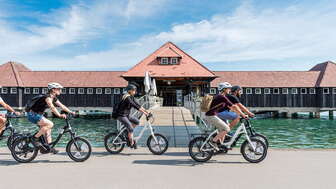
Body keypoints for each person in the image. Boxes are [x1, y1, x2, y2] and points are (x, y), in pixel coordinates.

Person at [27, 82, 75, 154]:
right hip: (33, 114)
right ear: (53, 90)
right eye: (59, 89)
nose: (60, 91)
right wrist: (59, 115)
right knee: (50, 124)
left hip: (38, 115)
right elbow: (52, 107)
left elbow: (62, 106)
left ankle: (48, 148)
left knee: (48, 130)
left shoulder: (53, 98)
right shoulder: (47, 97)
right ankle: (34, 138)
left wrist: (71, 112)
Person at [205, 82, 247, 148]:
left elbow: (231, 107)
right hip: (211, 116)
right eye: (228, 89)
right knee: (227, 129)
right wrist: (243, 114)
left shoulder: (220, 96)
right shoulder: (222, 97)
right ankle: (213, 142)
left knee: (223, 130)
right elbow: (234, 106)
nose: (229, 90)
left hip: (212, 115)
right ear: (224, 89)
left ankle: (220, 146)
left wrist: (239, 113)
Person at [116, 84, 150, 149]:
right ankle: (131, 143)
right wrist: (145, 113)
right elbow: (134, 105)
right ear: (130, 91)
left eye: (135, 90)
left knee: (137, 122)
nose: (135, 91)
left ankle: (127, 132)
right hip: (121, 116)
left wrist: (147, 112)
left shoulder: (131, 97)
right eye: (134, 90)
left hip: (126, 115)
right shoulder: (127, 97)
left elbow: (138, 105)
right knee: (131, 129)